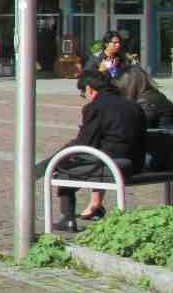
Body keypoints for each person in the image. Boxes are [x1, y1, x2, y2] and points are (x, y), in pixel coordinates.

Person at [37, 70, 146, 231]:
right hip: (136, 163)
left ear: (89, 89)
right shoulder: (132, 104)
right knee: (71, 161)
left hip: (112, 164)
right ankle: (91, 210)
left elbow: (84, 143)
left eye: (83, 93)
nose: (85, 97)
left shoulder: (96, 106)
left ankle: (68, 218)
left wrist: (47, 164)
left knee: (63, 167)